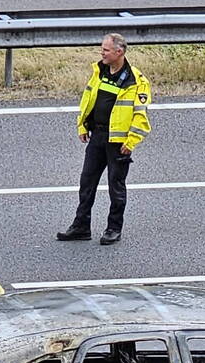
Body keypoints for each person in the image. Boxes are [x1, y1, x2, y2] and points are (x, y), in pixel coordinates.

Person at [56, 33, 152, 246]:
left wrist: (131, 141)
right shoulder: (99, 71)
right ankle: (81, 226)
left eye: (106, 50)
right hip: (97, 136)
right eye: (102, 49)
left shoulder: (135, 80)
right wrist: (82, 125)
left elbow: (140, 115)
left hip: (118, 142)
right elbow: (88, 99)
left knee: (115, 186)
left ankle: (113, 228)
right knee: (86, 182)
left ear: (120, 52)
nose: (102, 53)